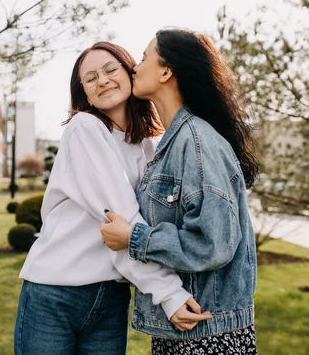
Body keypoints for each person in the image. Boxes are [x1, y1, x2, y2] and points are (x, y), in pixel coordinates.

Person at [14, 41, 212, 355]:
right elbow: (120, 219)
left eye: (110, 70)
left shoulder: (146, 144)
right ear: (84, 93)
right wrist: (168, 292)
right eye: (90, 78)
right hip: (55, 293)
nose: (102, 80)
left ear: (129, 72)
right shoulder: (85, 128)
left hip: (111, 296)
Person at [101, 28, 260, 354]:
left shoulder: (197, 143)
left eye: (144, 58)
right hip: (185, 327)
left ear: (165, 71)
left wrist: (133, 239)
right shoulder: (174, 143)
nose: (135, 67)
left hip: (208, 335)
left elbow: (212, 241)